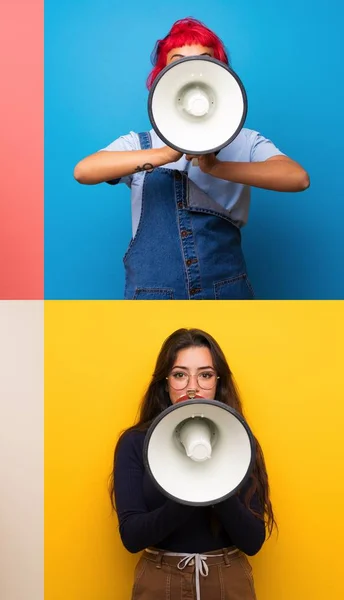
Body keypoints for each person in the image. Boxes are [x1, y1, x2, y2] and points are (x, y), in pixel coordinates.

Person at [74, 17, 309, 300]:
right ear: (161, 76)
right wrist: (164, 153)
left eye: (203, 60)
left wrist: (217, 167)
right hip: (153, 296)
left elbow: (297, 178)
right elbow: (84, 171)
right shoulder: (139, 144)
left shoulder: (244, 140)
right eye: (178, 61)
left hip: (226, 292)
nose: (190, 68)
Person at [111, 328, 275, 600]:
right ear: (165, 383)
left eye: (205, 375)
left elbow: (253, 541)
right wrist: (185, 490)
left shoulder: (241, 442)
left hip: (227, 578)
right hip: (159, 580)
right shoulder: (134, 443)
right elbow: (132, 537)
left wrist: (213, 483)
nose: (192, 386)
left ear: (218, 382)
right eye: (179, 374)